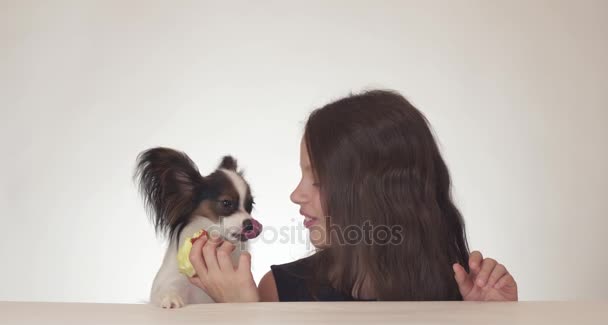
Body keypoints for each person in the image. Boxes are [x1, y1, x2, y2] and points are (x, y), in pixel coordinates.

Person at [187, 90, 518, 302]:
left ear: (374, 192)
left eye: (316, 179)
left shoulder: (461, 291)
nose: (295, 195)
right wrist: (240, 318)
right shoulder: (279, 290)